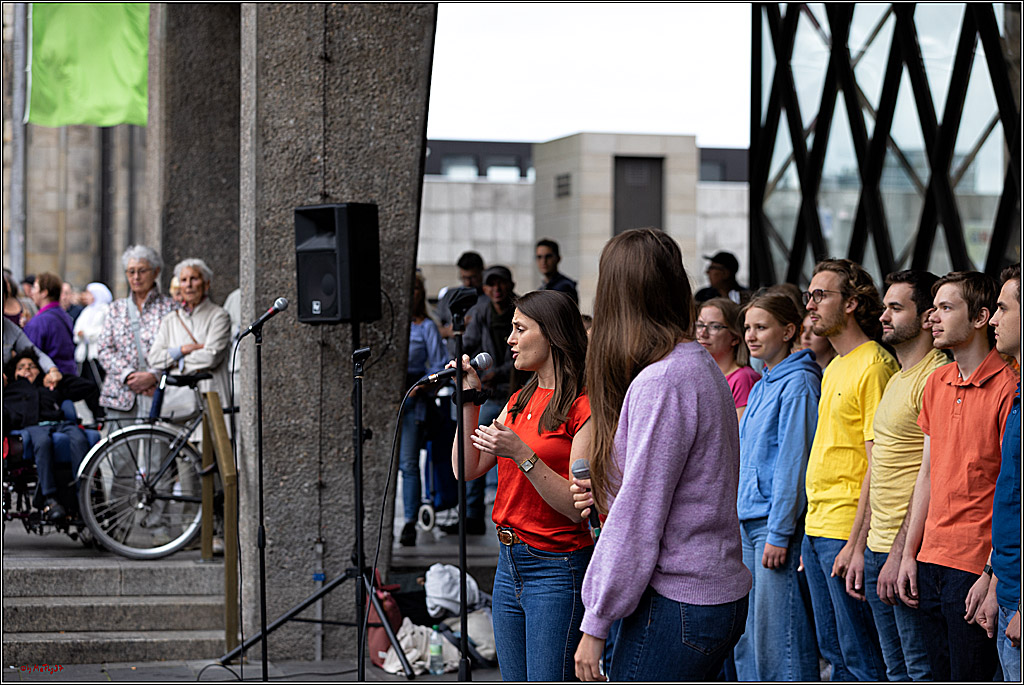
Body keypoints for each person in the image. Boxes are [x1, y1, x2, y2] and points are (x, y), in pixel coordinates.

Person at [574, 228, 750, 682]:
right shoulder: (694, 364)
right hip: (705, 592)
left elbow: (639, 514)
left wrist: (596, 619)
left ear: (619, 296)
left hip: (681, 601)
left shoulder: (665, 380)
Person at [449, 289, 593, 681]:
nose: (509, 339)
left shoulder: (584, 404)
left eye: (519, 329)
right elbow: (467, 467)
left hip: (557, 565)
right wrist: (468, 403)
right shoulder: (519, 398)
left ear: (552, 334)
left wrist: (523, 454)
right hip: (509, 561)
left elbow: (579, 507)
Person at [897, 271, 1017, 681]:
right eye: (933, 308)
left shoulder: (1009, 385)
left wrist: (992, 575)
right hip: (930, 558)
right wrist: (908, 553)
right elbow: (927, 473)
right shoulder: (936, 380)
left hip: (974, 566)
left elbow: (1011, 487)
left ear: (981, 317)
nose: (933, 317)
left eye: (946, 308)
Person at [801, 258, 895, 680]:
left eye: (822, 295)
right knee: (834, 653)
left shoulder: (874, 365)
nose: (811, 305)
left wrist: (857, 545)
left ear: (853, 303)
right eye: (809, 295)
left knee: (860, 659)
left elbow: (880, 465)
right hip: (818, 527)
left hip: (845, 531)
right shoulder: (835, 365)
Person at [857, 270, 947, 681]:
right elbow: (879, 470)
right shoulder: (896, 377)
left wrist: (899, 553)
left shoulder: (934, 376)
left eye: (896, 308)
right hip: (879, 548)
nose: (884, 317)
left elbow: (930, 473)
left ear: (927, 315)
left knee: (919, 672)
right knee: (895, 671)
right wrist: (860, 546)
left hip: (907, 551)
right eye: (885, 307)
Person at [731, 291, 820, 681]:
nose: (751, 335)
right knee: (749, 637)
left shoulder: (798, 382)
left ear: (788, 330)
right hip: (748, 522)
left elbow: (792, 464)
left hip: (773, 525)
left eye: (761, 327)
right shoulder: (764, 382)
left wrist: (781, 532)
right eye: (747, 327)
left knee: (779, 639)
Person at [977, 264, 1021, 681]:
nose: (993, 318)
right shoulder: (1020, 393)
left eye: (1004, 308)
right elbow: (1011, 501)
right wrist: (993, 578)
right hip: (1007, 588)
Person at [450, 265, 517, 536]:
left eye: (501, 283)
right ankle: (472, 515)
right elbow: (470, 345)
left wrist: (496, 373)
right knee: (474, 449)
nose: (497, 289)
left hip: (512, 392)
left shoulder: (519, 311)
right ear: (485, 288)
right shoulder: (480, 313)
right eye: (491, 284)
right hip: (489, 392)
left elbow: (520, 360)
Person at [3, 349, 97, 520]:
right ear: (14, 373)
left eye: (31, 367)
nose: (27, 370)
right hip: (33, 426)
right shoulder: (12, 390)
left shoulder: (49, 386)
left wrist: (59, 378)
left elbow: (88, 387)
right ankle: (50, 498)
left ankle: (84, 495)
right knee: (42, 442)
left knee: (78, 438)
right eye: (21, 367)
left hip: (60, 423)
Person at [97, 245, 179, 424]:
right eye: (131, 272)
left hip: (159, 392)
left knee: (159, 449)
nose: (136, 277)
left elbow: (178, 348)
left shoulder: (171, 308)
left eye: (142, 271)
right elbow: (104, 349)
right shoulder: (116, 309)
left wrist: (153, 376)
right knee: (121, 449)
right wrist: (128, 375)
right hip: (121, 393)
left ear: (156, 271)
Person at [398, 272, 448, 546]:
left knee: (408, 463)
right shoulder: (394, 324)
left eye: (417, 288)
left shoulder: (425, 326)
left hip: (412, 398)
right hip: (388, 400)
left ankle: (409, 521)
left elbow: (439, 366)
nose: (412, 293)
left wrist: (421, 385)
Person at [148, 258, 232, 414]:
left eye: (194, 278)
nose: (189, 285)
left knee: (211, 437)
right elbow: (154, 358)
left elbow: (211, 357)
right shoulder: (170, 319)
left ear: (206, 284)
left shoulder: (219, 316)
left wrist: (176, 362)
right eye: (184, 280)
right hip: (179, 400)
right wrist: (183, 349)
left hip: (210, 395)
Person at [697, 297, 760, 421]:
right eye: (699, 325)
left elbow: (738, 435)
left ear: (735, 337)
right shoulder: (701, 375)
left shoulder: (743, 378)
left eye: (715, 326)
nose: (703, 333)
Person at [23, 272, 77, 378]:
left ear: (44, 293)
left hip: (50, 378)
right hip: (69, 374)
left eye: (35, 288)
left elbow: (30, 354)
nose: (32, 292)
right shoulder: (63, 314)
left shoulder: (40, 321)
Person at [436, 251, 489, 348]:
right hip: (451, 356)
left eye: (473, 278)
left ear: (482, 272)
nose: (468, 283)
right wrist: (448, 331)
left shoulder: (490, 299)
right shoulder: (450, 296)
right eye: (464, 278)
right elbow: (432, 328)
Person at [535, 238, 579, 304]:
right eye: (539, 257)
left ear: (558, 258)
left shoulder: (566, 287)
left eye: (548, 256)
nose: (543, 261)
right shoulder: (541, 289)